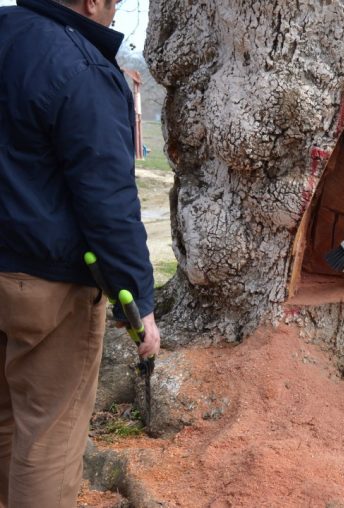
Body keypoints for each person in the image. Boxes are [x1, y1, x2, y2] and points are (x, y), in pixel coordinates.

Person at [0, 0, 161, 506]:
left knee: (6, 420)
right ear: (92, 2)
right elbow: (107, 202)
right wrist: (139, 300)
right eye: (113, 6)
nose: (112, 18)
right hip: (47, 287)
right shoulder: (82, 68)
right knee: (48, 440)